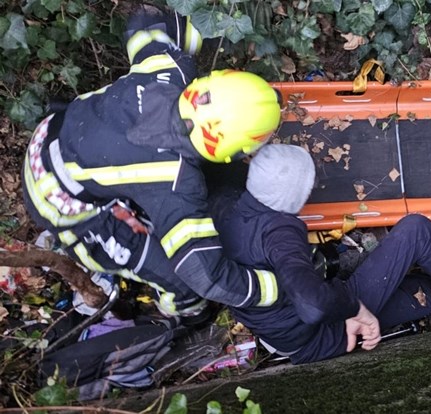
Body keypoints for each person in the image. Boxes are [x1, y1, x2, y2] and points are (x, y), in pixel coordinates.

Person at [21, 5, 283, 323]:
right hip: (54, 196)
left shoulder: (170, 69)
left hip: (52, 133)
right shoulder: (174, 182)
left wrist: (193, 30)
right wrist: (276, 288)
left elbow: (146, 24)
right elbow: (205, 274)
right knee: (180, 283)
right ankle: (181, 317)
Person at [210, 144, 431, 364]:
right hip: (319, 332)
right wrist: (355, 311)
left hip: (281, 328)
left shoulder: (227, 206)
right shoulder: (280, 232)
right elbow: (312, 305)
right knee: (416, 230)